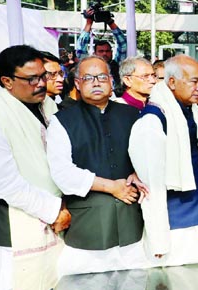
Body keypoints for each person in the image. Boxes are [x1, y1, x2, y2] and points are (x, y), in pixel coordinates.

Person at [46, 56, 149, 276]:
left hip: (132, 225)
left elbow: (149, 158)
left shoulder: (133, 115)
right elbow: (62, 173)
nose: (96, 82)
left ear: (112, 81)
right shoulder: (62, 121)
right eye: (88, 78)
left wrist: (138, 171)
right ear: (77, 83)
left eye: (102, 77)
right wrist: (111, 186)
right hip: (88, 230)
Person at [0, 45, 70, 290]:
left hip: (59, 216)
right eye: (31, 79)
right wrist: (54, 210)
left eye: (43, 76)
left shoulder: (49, 106)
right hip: (14, 224)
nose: (41, 84)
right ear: (7, 81)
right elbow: (2, 183)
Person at [129, 55, 198, 266]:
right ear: (172, 82)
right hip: (175, 224)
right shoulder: (153, 119)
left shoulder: (191, 111)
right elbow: (151, 185)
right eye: (194, 81)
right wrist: (158, 240)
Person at [75, 8, 126, 81]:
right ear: (94, 53)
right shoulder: (88, 65)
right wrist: (89, 22)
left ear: (111, 52)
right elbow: (81, 46)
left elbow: (123, 44)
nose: (105, 53)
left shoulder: (117, 64)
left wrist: (110, 22)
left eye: (107, 51)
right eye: (101, 51)